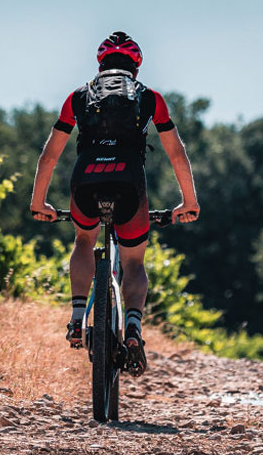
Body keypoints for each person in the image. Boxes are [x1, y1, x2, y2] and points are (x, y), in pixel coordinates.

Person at [29, 31, 201, 376]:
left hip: (85, 180)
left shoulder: (78, 97)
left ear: (100, 64)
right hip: (129, 183)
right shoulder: (150, 98)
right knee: (134, 261)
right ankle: (134, 325)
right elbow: (176, 153)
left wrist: (39, 203)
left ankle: (78, 316)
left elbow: (49, 156)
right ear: (136, 67)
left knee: (83, 239)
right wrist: (189, 202)